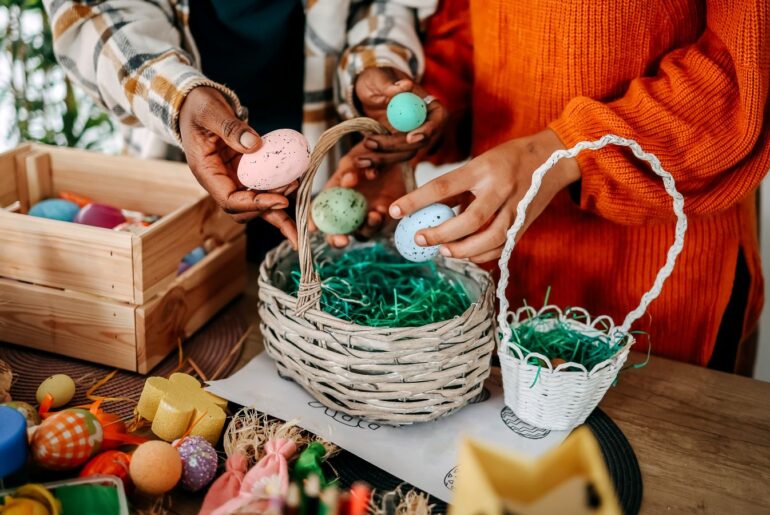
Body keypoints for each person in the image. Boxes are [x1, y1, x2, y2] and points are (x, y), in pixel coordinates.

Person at [330, 0, 769, 371]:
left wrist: (559, 153)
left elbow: (741, 73)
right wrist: (423, 121)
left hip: (659, 291)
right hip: (505, 275)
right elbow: (467, 27)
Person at [42, 0, 444, 259]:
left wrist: (375, 69)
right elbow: (95, 12)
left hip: (331, 173)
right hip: (183, 166)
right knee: (195, 277)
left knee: (310, 268)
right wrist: (180, 99)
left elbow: (379, 7)